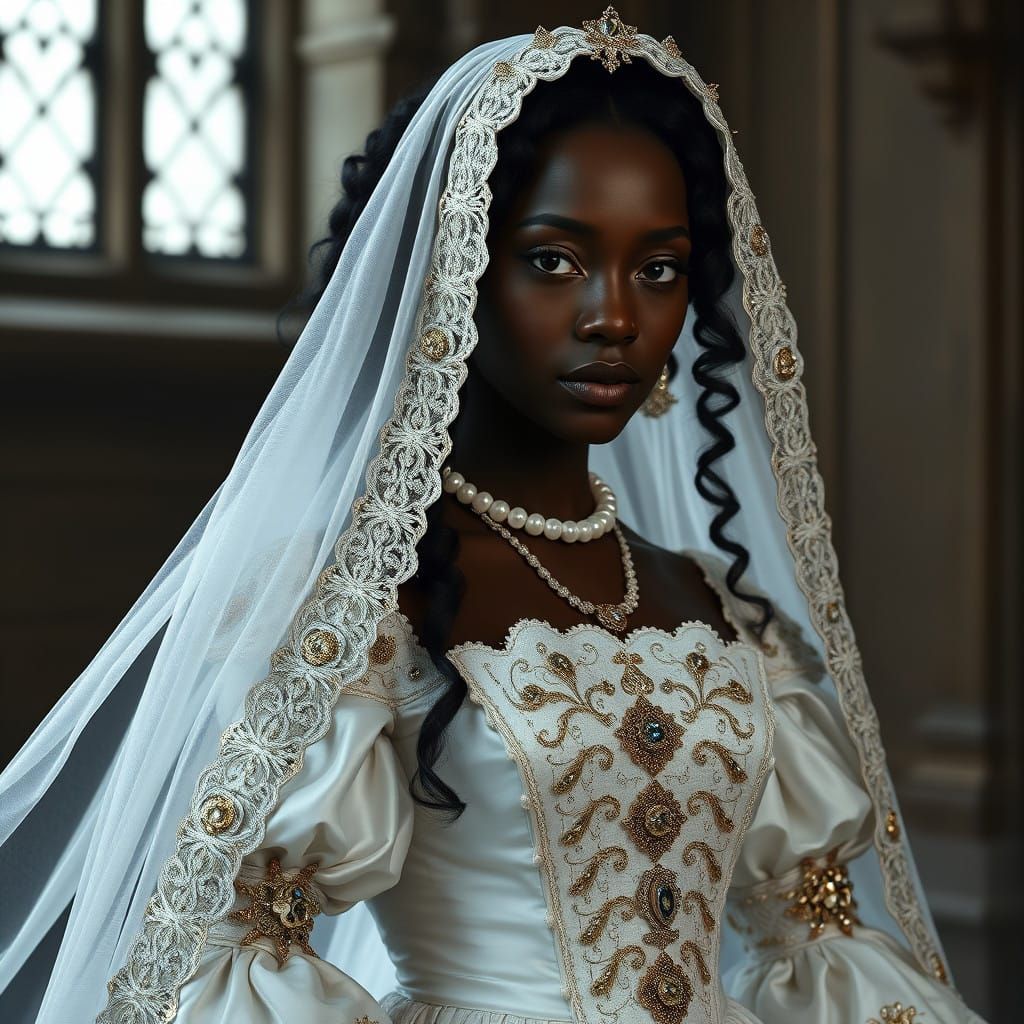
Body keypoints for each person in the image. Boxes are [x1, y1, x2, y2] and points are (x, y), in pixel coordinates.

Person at [0, 10, 989, 1024]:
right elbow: (245, 951)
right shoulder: (357, 614)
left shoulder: (720, 605)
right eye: (556, 260)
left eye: (656, 268)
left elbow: (814, 937)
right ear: (455, 275)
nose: (613, 315)